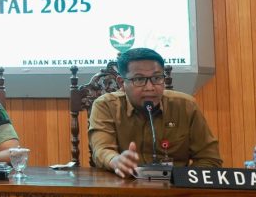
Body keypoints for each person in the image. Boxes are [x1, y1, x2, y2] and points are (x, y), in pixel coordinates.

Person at [89, 48, 221, 177]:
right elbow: (102, 150)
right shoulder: (106, 105)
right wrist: (116, 161)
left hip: (176, 186)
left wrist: (184, 179)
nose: (150, 87)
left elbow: (209, 158)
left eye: (157, 78)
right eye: (139, 79)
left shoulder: (186, 106)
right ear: (121, 82)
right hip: (125, 183)